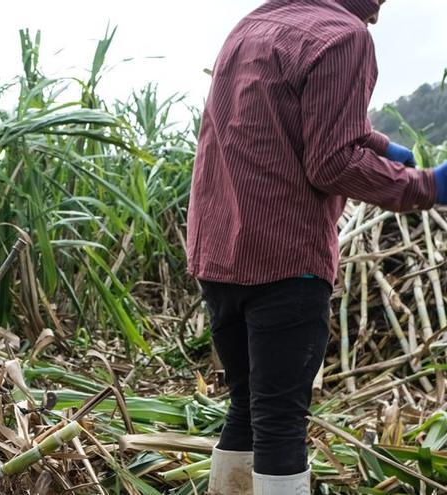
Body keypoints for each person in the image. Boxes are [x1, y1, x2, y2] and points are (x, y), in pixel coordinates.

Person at [185, 0, 447, 493]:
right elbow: (331, 163)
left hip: (219, 253)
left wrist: (375, 142)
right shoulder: (343, 36)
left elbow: (284, 111)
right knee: (281, 423)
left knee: (247, 405)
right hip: (285, 260)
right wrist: (427, 186)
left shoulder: (255, 24)